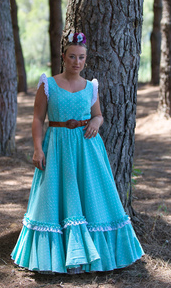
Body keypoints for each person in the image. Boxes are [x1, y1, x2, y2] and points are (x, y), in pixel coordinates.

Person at [11, 32, 143, 274]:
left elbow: (98, 114)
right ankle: (55, 256)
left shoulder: (90, 86)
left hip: (86, 149)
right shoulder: (47, 84)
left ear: (85, 59)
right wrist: (38, 148)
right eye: (72, 56)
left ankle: (96, 255)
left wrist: (96, 122)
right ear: (63, 57)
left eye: (81, 57)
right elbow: (38, 119)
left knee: (91, 196)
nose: (77, 62)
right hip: (58, 147)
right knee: (54, 196)